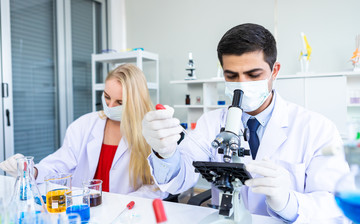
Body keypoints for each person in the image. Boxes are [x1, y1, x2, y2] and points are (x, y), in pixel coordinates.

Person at [142, 24, 349, 223]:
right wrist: (165, 154)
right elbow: (179, 182)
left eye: (253, 75)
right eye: (231, 76)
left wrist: (289, 203)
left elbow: (333, 206)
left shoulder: (316, 128)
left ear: (274, 71)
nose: (242, 84)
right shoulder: (211, 122)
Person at [0, 64, 167, 199]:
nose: (109, 106)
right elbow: (60, 166)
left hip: (127, 214)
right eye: (107, 97)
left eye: (119, 102)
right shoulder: (84, 125)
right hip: (86, 210)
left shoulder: (150, 131)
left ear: (135, 102)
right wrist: (31, 171)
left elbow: (160, 185)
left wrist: (127, 202)